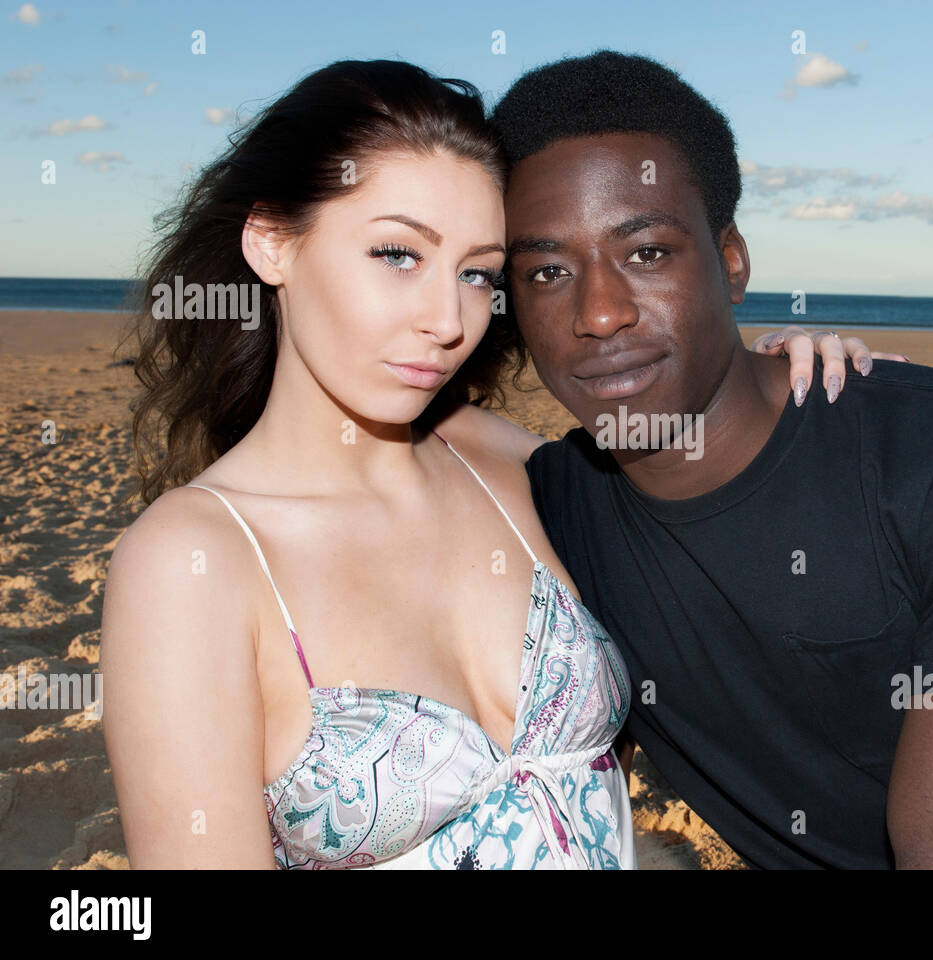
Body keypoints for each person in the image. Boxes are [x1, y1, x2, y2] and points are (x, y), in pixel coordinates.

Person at [99, 59, 858, 870]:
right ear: (272, 243)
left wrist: (783, 379)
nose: (447, 318)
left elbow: (713, 506)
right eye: (397, 254)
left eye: (477, 274)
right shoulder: (195, 559)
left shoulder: (509, 467)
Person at [497, 50, 933, 869]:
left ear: (731, 263)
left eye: (646, 252)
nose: (601, 313)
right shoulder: (545, 512)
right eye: (549, 271)